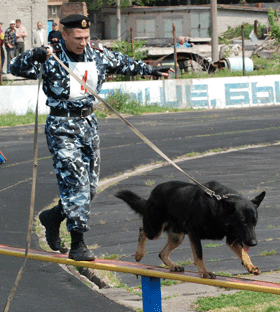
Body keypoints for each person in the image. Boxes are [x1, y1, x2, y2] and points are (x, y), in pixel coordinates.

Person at [10, 14, 173, 261]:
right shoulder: (51, 57)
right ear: (64, 35)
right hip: (61, 126)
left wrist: (151, 70)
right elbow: (15, 68)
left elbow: (124, 63)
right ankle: (78, 243)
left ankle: (53, 217)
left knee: (89, 189)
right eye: (77, 38)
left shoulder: (97, 54)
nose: (82, 42)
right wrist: (34, 54)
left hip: (88, 124)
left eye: (86, 37)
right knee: (76, 184)